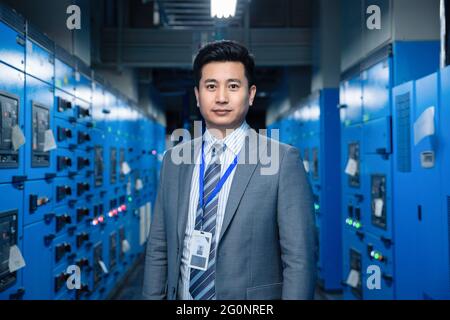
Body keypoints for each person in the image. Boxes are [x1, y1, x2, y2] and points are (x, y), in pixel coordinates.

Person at [142, 40, 316, 300]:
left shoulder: (281, 161)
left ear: (251, 93)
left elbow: (299, 259)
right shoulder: (174, 161)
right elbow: (159, 246)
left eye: (233, 86)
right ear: (198, 95)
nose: (221, 97)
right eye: (211, 86)